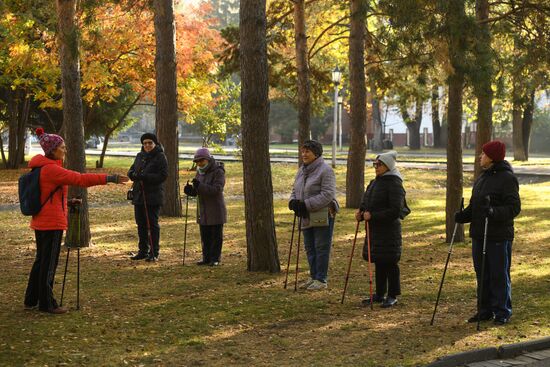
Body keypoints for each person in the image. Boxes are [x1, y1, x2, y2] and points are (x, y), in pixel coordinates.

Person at [25, 128, 128, 314]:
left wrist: (69, 202)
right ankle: (47, 304)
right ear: (53, 150)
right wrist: (109, 178)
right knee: (48, 264)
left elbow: (48, 195)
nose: (65, 150)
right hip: (52, 223)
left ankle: (31, 299)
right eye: (62, 147)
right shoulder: (51, 169)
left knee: (41, 261)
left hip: (41, 220)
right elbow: (80, 179)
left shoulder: (40, 167)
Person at [455, 140, 521, 325]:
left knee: (499, 274)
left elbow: (514, 207)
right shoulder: (482, 178)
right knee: (482, 273)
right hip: (479, 234)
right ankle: (484, 310)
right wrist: (463, 216)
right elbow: (475, 206)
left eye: (483, 154)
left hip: (498, 235)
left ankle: (502, 311)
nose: (480, 157)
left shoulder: (507, 178)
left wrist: (493, 212)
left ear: (491, 158)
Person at [356, 151, 405, 308]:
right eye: (375, 164)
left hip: (389, 231)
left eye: (379, 165)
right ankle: (379, 293)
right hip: (375, 230)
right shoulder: (375, 182)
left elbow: (395, 210)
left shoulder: (395, 184)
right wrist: (361, 213)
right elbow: (367, 201)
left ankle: (392, 295)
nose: (376, 167)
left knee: (390, 262)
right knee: (379, 261)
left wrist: (374, 216)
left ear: (388, 166)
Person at [289, 140, 338, 290]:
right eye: (302, 151)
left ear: (316, 154)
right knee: (310, 247)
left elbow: (328, 194)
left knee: (321, 247)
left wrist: (306, 204)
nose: (303, 154)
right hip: (305, 214)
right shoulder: (302, 169)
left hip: (322, 214)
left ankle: (321, 279)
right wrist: (293, 202)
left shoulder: (325, 170)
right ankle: (313, 276)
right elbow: (295, 189)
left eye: (307, 151)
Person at [128, 133, 168, 262]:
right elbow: (132, 170)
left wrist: (146, 177)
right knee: (141, 224)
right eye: (145, 143)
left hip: (153, 195)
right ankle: (143, 251)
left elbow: (163, 176)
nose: (147, 145)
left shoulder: (160, 156)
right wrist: (132, 175)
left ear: (155, 143)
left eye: (150, 143)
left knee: (152, 224)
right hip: (139, 195)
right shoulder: (140, 156)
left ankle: (154, 252)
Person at [183, 148, 227, 266]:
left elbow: (217, 190)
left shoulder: (218, 171)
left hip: (215, 208)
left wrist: (200, 186)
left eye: (201, 161)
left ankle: (215, 258)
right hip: (203, 208)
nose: (199, 164)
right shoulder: (200, 171)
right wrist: (190, 191)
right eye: (197, 161)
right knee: (205, 235)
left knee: (215, 236)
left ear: (207, 159)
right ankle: (206, 258)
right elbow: (198, 190)